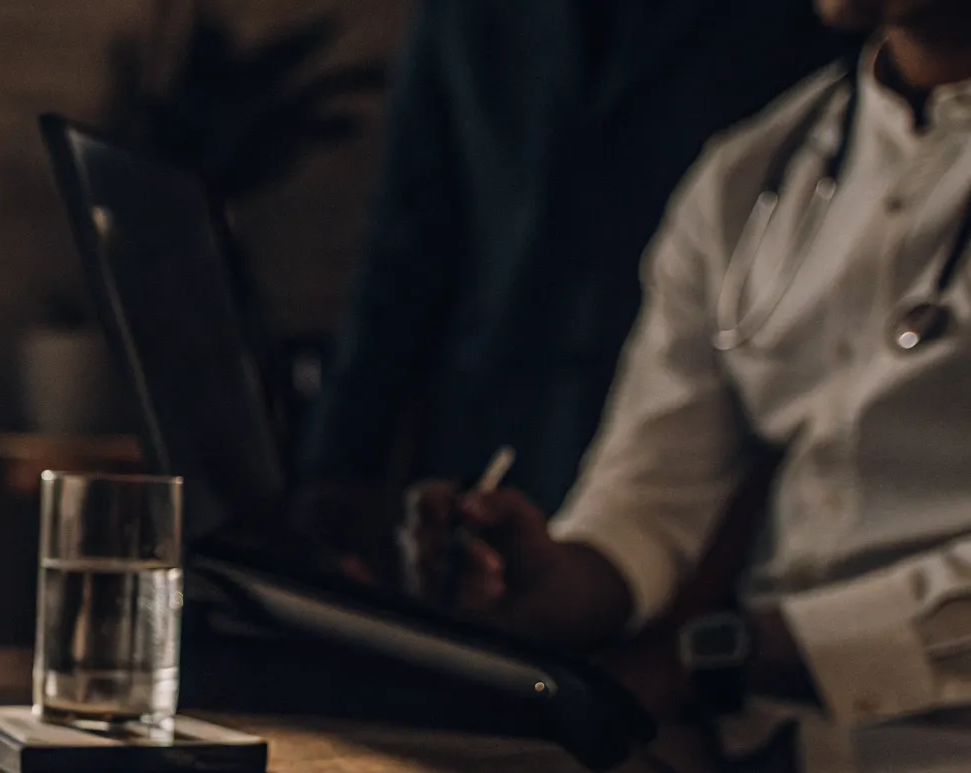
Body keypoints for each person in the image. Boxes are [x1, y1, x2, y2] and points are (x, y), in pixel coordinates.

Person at [403, 1, 971, 773]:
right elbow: (649, 497)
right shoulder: (759, 166)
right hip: (756, 741)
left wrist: (728, 648)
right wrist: (546, 578)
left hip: (945, 771)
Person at [298, 0, 850, 571]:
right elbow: (407, 240)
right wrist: (338, 468)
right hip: (485, 441)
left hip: (702, 466)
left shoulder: (809, 18)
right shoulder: (465, 15)